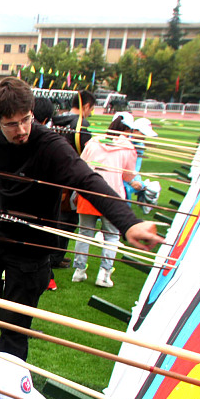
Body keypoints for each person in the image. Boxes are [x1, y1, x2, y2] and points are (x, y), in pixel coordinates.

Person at [0, 78, 161, 362]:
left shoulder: (50, 145)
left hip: (33, 249)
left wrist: (129, 223)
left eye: (27, 119)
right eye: (12, 124)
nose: (22, 130)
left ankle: (4, 391)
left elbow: (88, 180)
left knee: (15, 326)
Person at [72, 113, 144, 288]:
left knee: (85, 234)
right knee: (111, 236)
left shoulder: (95, 141)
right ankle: (104, 274)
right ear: (126, 130)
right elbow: (128, 175)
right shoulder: (127, 147)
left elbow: (80, 167)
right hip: (112, 196)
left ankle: (79, 271)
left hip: (88, 194)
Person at [48, 90, 96, 271]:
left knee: (58, 216)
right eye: (90, 109)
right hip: (68, 180)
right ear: (86, 106)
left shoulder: (57, 120)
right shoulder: (80, 126)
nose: (90, 113)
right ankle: (54, 257)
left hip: (53, 175)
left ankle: (55, 256)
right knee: (67, 220)